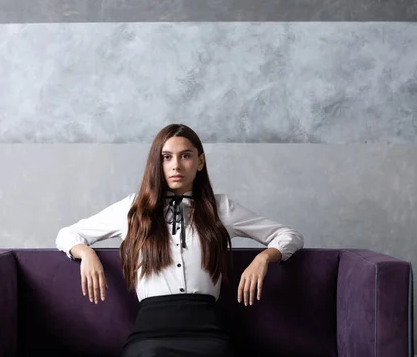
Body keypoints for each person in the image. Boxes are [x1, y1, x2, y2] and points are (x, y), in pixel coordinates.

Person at [56, 123, 304, 356]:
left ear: (200, 161)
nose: (176, 166)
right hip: (150, 334)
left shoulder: (220, 208)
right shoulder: (132, 209)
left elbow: (289, 236)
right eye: (166, 157)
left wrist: (264, 258)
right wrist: (86, 253)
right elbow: (67, 234)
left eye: (185, 155)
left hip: (207, 332)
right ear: (157, 163)